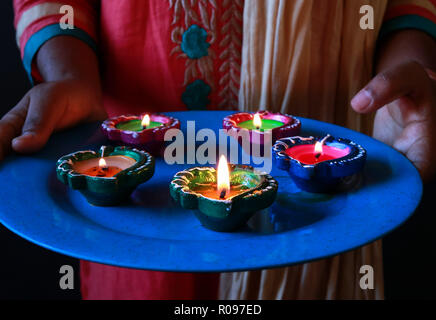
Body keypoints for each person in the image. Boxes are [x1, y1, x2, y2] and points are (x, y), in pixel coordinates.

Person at [3, 0, 435, 299]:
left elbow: (406, 8)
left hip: (320, 183)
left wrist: (409, 76)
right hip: (139, 204)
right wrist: (69, 74)